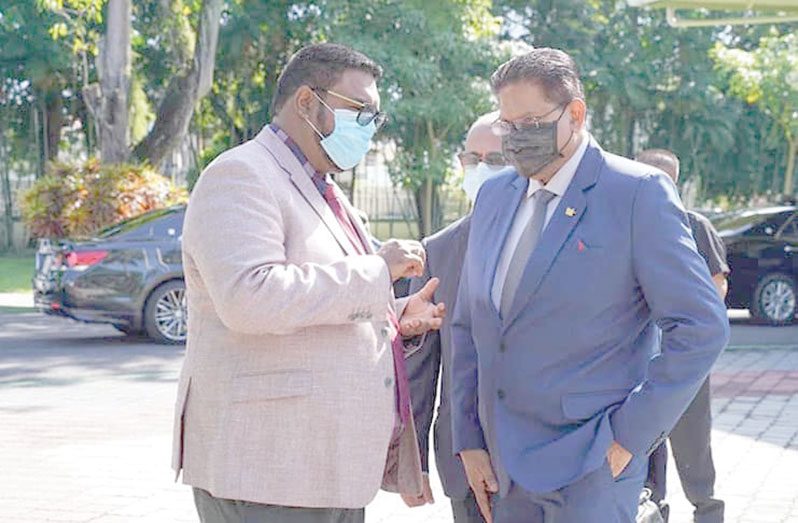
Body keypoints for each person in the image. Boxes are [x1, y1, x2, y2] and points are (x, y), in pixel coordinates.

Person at [450, 48, 730, 523]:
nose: (517, 138)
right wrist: (469, 439)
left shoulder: (636, 193)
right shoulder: (496, 195)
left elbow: (701, 326)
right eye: (507, 125)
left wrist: (630, 437)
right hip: (501, 469)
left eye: (530, 122)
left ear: (575, 114)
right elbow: (468, 325)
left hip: (592, 467)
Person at [172, 43, 446, 523]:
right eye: (361, 111)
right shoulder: (241, 175)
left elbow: (327, 300)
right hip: (269, 470)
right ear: (305, 102)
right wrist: (377, 271)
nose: (369, 129)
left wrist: (392, 316)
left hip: (324, 469)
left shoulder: (324, 189)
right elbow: (249, 298)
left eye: (375, 119)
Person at [401, 112, 507, 522]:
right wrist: (414, 464)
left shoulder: (554, 237)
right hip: (462, 455)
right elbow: (419, 371)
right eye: (471, 158)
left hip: (543, 458)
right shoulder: (438, 250)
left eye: (495, 160)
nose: (480, 170)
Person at [638, 148, 729, 523]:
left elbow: (716, 286)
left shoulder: (694, 225)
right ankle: (652, 510)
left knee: (692, 446)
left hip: (684, 357)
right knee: (644, 447)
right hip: (637, 360)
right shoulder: (628, 226)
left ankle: (707, 511)